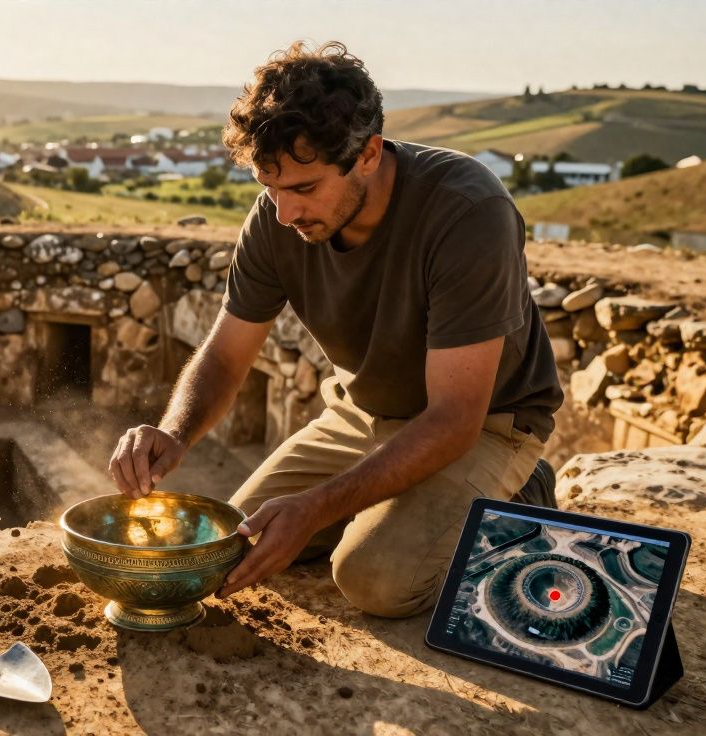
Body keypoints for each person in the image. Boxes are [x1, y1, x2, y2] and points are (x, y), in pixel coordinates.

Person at [108, 41, 563, 618]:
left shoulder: (468, 211)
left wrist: (317, 507)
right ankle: (394, 508)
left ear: (368, 154)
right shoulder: (276, 216)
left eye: (304, 189)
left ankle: (521, 489)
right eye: (269, 187)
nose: (284, 213)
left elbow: (454, 417)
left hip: (483, 426)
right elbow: (224, 356)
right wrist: (174, 432)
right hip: (361, 415)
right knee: (236, 542)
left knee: (376, 580)